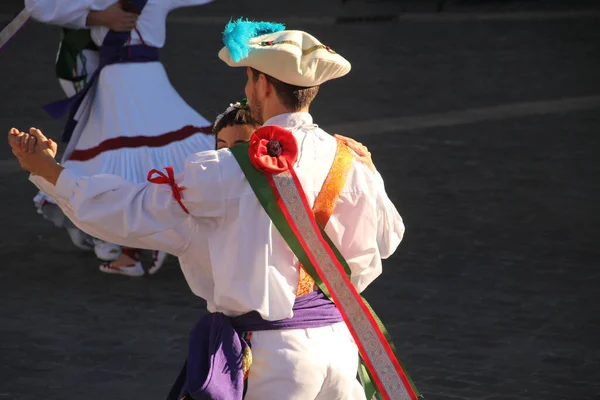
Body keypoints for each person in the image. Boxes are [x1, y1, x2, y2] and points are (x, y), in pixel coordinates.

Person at [10, 18, 420, 400]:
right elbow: (386, 239)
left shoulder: (225, 171)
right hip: (341, 343)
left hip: (277, 354)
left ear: (261, 84)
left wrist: (51, 173)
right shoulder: (352, 160)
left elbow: (135, 212)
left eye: (248, 78)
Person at [23, 0, 217, 277]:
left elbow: (38, 6)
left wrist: (97, 16)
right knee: (153, 154)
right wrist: (99, 16)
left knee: (117, 161)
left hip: (119, 82)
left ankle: (136, 248)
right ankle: (145, 243)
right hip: (147, 78)